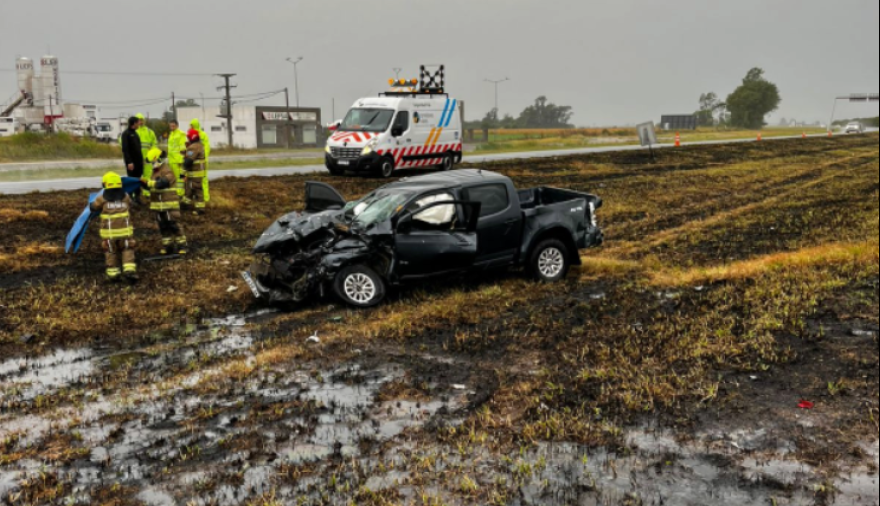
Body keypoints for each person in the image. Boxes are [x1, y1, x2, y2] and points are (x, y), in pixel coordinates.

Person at [91, 172, 138, 283]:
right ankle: (129, 271)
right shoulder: (125, 196)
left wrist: (91, 205)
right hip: (125, 233)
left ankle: (113, 274)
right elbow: (131, 204)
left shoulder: (101, 198)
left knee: (111, 252)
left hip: (109, 234)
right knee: (127, 249)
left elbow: (93, 207)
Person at [142, 148, 187, 256]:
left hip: (169, 205)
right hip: (159, 207)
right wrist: (143, 184)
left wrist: (148, 183)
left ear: (157, 159)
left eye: (152, 162)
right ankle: (168, 247)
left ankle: (182, 246)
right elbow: (152, 187)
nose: (152, 164)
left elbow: (162, 183)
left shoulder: (167, 170)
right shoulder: (154, 172)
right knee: (163, 228)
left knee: (174, 226)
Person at [183, 129, 207, 214]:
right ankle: (185, 205)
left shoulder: (193, 147)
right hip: (198, 173)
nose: (188, 139)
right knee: (190, 189)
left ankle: (200, 209)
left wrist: (182, 173)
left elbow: (188, 161)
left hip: (194, 174)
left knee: (196, 191)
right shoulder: (200, 145)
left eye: (188, 137)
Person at [120, 116, 144, 201]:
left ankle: (137, 198)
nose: (139, 124)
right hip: (132, 163)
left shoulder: (135, 133)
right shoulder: (126, 134)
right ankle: (131, 198)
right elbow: (125, 149)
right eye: (138, 122)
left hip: (138, 162)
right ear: (134, 123)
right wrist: (129, 162)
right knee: (132, 180)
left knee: (137, 180)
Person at [135, 114, 158, 197]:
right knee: (136, 176)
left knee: (147, 175)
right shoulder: (133, 131)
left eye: (141, 120)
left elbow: (155, 143)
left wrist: (152, 155)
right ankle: (136, 193)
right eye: (138, 120)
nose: (140, 122)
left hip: (147, 158)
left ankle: (146, 192)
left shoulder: (149, 131)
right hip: (136, 158)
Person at [190, 119, 211, 205]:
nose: (190, 127)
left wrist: (203, 157)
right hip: (195, 162)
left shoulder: (203, 135)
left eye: (191, 125)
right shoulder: (192, 134)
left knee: (203, 179)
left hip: (202, 161)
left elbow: (207, 147)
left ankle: (205, 197)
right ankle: (198, 197)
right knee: (195, 180)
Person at [167, 120, 188, 197]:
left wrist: (181, 160)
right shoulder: (171, 134)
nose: (172, 127)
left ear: (177, 126)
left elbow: (183, 148)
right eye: (170, 126)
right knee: (176, 178)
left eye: (173, 126)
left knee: (180, 178)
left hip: (178, 161)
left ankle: (180, 194)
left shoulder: (181, 134)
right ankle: (179, 193)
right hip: (172, 161)